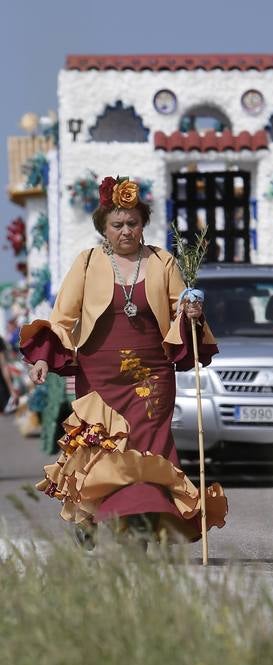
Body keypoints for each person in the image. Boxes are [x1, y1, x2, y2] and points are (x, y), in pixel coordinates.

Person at [20, 175, 227, 544]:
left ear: (143, 224)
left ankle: (141, 524)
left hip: (152, 377)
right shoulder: (86, 263)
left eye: (133, 223)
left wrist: (192, 312)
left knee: (147, 448)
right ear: (104, 227)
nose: (126, 231)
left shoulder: (163, 261)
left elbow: (183, 308)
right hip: (98, 377)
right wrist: (42, 359)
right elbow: (63, 318)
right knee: (102, 448)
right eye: (117, 225)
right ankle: (94, 514)